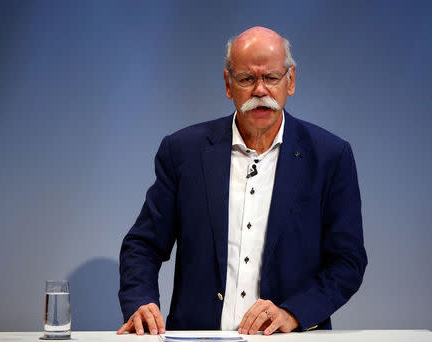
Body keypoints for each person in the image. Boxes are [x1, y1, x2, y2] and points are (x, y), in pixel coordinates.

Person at [117, 26, 367, 336]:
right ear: (228, 84)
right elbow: (143, 244)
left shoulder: (330, 156)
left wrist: (294, 313)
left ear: (290, 81)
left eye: (271, 78)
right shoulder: (184, 151)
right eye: (247, 79)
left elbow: (348, 261)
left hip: (288, 339)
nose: (260, 90)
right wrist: (140, 301)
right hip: (198, 336)